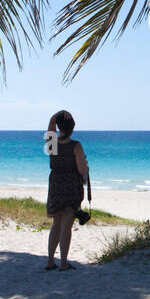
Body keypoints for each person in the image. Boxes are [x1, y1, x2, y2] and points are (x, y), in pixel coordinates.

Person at [45, 110, 90, 271]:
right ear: (72, 128)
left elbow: (50, 131)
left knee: (56, 224)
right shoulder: (75, 145)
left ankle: (50, 261)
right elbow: (81, 169)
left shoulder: (52, 144)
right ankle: (63, 263)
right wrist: (85, 167)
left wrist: (54, 117)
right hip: (71, 188)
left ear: (58, 127)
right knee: (66, 226)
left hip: (55, 186)